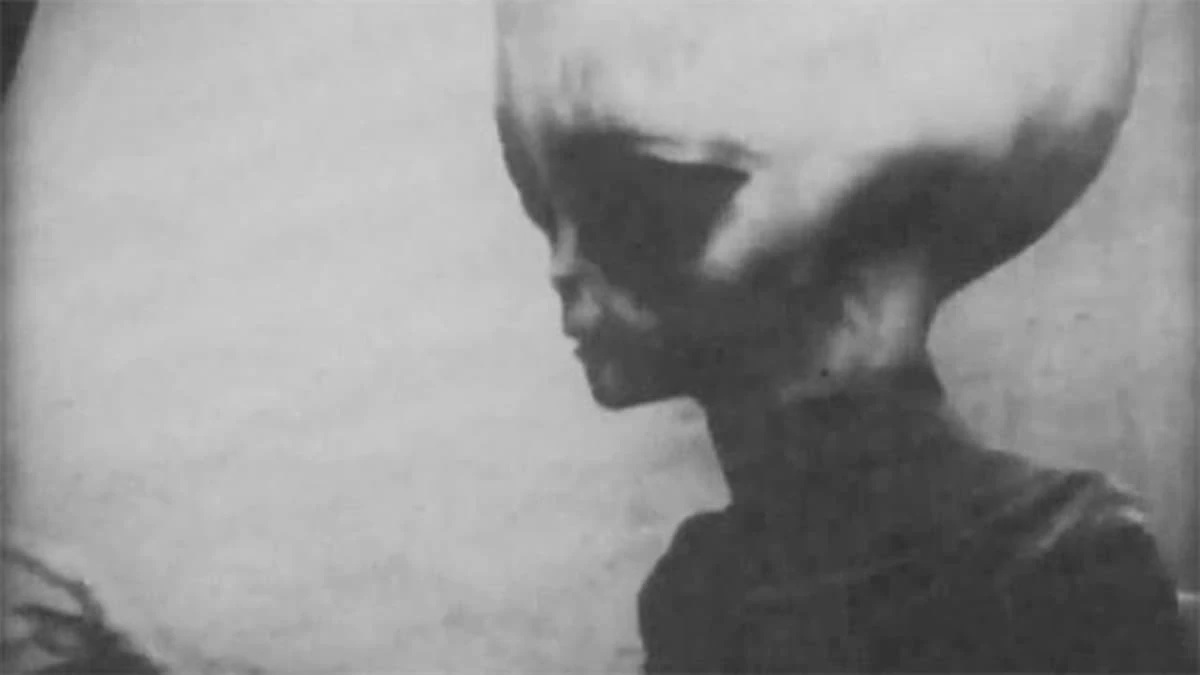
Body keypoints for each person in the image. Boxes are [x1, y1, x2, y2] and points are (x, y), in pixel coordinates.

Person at [493, 1, 1199, 672]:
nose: (562, 268)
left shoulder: (1055, 560)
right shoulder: (706, 590)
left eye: (627, 209)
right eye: (547, 217)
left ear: (846, 229)